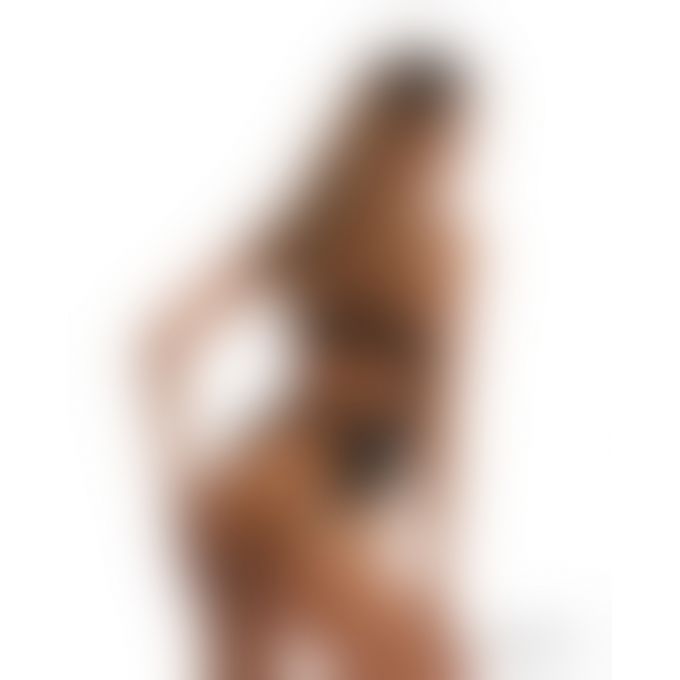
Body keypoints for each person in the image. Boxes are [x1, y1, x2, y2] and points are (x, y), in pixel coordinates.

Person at [142, 52, 475, 680]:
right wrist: (442, 571)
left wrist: (184, 487)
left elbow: (161, 344)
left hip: (253, 486)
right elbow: (440, 419)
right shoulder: (436, 249)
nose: (437, 157)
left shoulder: (321, 221)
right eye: (432, 139)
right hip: (297, 486)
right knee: (425, 665)